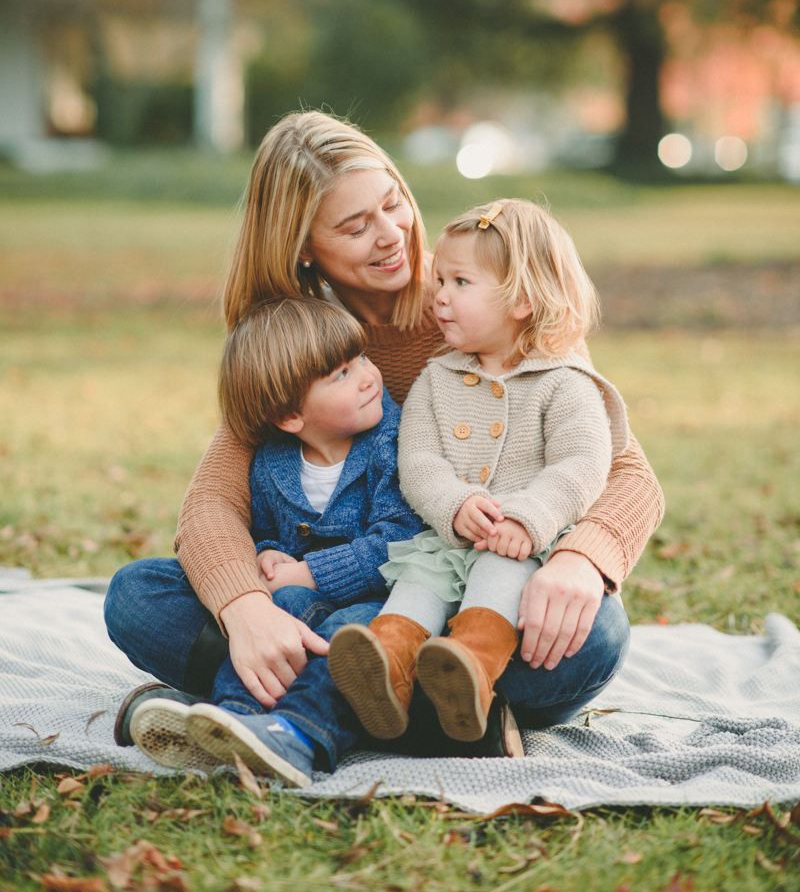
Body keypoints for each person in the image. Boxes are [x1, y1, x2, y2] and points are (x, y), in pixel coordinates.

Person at [105, 111, 664, 778]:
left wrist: (580, 560)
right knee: (138, 599)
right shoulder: (299, 339)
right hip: (328, 597)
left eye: (393, 202)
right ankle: (436, 720)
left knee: (594, 634)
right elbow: (211, 502)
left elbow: (626, 472)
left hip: (475, 591)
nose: (392, 233)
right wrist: (246, 610)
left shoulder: (490, 293)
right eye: (355, 225)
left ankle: (280, 701)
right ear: (303, 246)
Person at [328, 199, 628, 745]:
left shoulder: (563, 381)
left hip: (522, 545)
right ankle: (384, 671)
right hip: (448, 539)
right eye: (439, 278)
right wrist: (453, 504)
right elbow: (417, 460)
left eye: (460, 281)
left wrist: (529, 518)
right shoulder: (436, 377)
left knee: (498, 579)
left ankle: (465, 673)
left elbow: (583, 463)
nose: (438, 295)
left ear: (523, 301)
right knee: (416, 589)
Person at [127, 296, 425, 785]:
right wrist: (265, 553)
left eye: (362, 359)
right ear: (289, 416)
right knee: (142, 590)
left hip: (379, 605)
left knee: (354, 639)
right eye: (342, 375)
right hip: (290, 609)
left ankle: (295, 733)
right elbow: (261, 529)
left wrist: (306, 573)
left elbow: (402, 543)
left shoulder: (395, 441)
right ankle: (235, 726)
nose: (369, 375)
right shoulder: (272, 462)